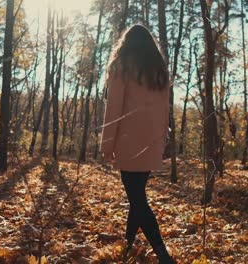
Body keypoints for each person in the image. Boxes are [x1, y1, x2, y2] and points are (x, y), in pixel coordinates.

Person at [100, 24, 175, 263]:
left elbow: (114, 108)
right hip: (152, 141)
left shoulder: (121, 66)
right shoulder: (159, 71)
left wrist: (107, 144)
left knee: (137, 199)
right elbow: (165, 110)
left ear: (126, 43)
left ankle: (162, 254)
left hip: (128, 141)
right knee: (137, 195)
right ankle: (128, 244)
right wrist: (162, 141)